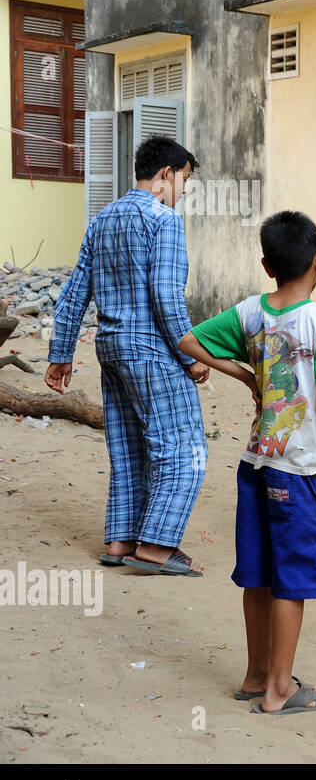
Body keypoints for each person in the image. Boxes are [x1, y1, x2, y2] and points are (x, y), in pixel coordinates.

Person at [180, 211, 316, 714]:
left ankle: (256, 673)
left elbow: (188, 341)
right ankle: (281, 687)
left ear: (266, 264)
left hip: (256, 462)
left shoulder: (249, 313)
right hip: (301, 468)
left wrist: (243, 375)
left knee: (257, 574)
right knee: (294, 579)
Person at [45, 135, 209, 576]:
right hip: (153, 352)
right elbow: (167, 297)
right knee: (184, 448)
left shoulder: (103, 219)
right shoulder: (164, 221)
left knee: (129, 447)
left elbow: (76, 291)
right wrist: (192, 355)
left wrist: (60, 354)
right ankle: (156, 547)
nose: (183, 192)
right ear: (167, 175)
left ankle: (119, 541)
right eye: (185, 181)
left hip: (111, 351)